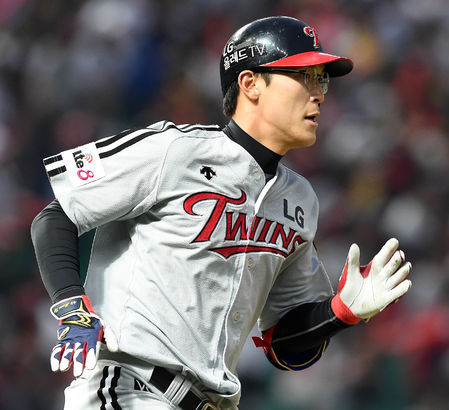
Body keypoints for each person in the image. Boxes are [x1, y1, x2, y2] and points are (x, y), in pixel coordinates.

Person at [31, 16, 412, 410]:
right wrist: (71, 306)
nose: (318, 94)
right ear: (250, 84)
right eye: (304, 76)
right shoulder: (175, 151)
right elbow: (56, 217)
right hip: (128, 389)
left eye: (322, 80)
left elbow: (283, 346)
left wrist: (341, 312)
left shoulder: (300, 200)